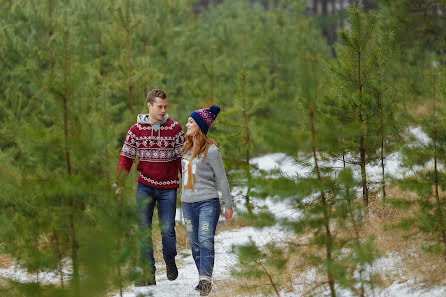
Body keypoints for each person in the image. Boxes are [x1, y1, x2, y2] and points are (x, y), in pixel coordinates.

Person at [116, 89, 184, 286]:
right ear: (149, 106)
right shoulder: (136, 130)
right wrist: (120, 184)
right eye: (159, 106)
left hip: (168, 188)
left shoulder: (175, 129)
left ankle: (170, 260)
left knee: (168, 231)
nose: (163, 110)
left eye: (165, 106)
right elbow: (126, 158)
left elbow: (182, 159)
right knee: (143, 231)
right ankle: (148, 274)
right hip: (144, 186)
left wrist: (188, 183)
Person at [181, 105, 233, 296]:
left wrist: (228, 205)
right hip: (187, 203)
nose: (187, 124)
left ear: (200, 126)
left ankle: (205, 280)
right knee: (194, 242)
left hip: (207, 203)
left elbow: (222, 179)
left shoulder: (212, 151)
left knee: (205, 239)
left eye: (191, 121)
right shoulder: (185, 148)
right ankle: (202, 276)